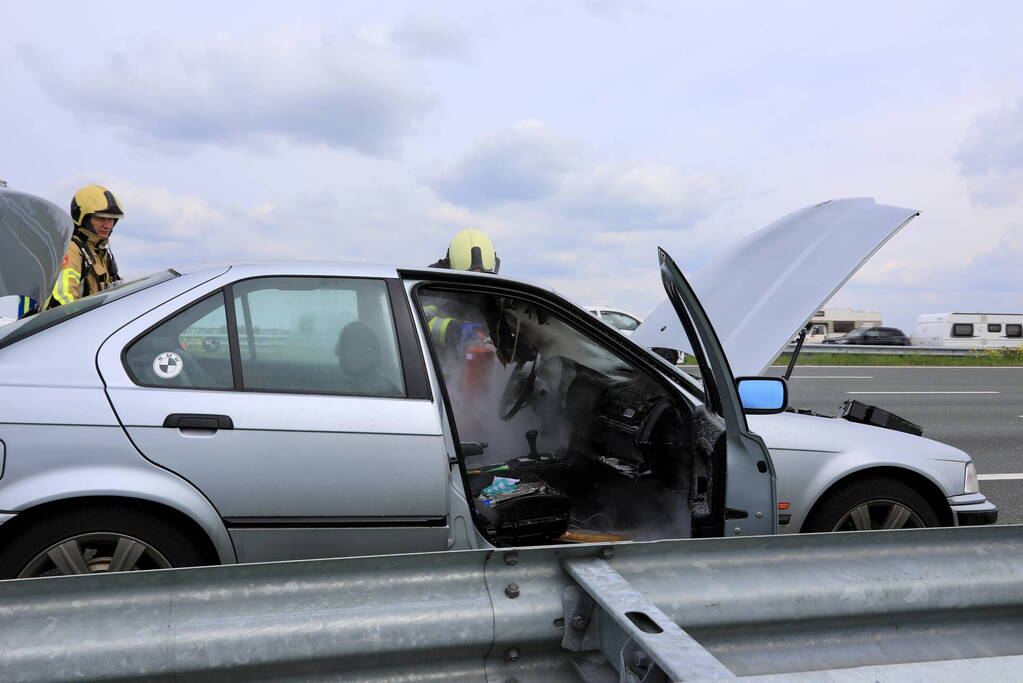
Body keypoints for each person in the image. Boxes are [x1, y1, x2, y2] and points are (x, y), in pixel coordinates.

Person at [45, 185, 124, 309]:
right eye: (101, 218)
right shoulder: (71, 249)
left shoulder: (101, 253)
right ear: (83, 218)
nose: (107, 225)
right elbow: (64, 298)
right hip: (74, 326)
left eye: (111, 219)